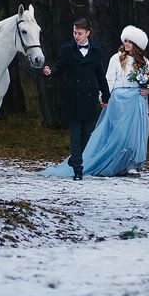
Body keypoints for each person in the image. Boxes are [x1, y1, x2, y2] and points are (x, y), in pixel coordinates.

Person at [41, 25, 149, 179]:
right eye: (125, 41)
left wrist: (148, 89)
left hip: (136, 100)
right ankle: (114, 162)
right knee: (118, 133)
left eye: (130, 42)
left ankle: (131, 165)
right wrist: (104, 96)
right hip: (119, 99)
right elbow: (109, 79)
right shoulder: (117, 58)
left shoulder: (144, 61)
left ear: (136, 45)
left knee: (134, 134)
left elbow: (147, 79)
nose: (126, 44)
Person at [41, 18, 111, 180]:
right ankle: (78, 169)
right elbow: (59, 67)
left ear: (88, 33)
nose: (76, 36)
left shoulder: (97, 51)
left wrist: (106, 95)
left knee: (87, 136)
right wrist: (50, 72)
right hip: (72, 98)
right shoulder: (67, 49)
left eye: (79, 33)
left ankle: (74, 159)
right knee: (75, 135)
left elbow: (100, 75)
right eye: (74, 33)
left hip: (89, 99)